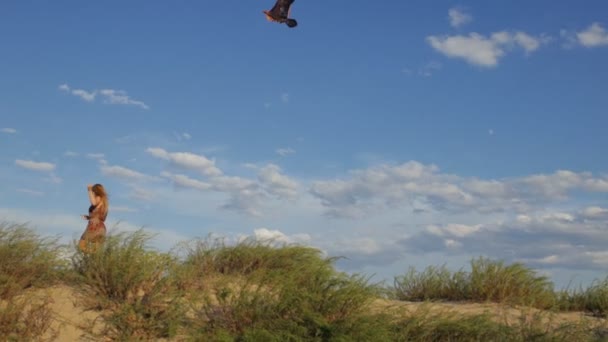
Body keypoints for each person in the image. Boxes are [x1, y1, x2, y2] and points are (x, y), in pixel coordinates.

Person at [79, 183, 108, 252]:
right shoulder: (104, 202)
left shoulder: (98, 198)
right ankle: (93, 256)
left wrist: (89, 190)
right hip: (101, 228)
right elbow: (100, 217)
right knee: (96, 251)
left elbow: (93, 203)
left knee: (81, 246)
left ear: (95, 191)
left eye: (93, 191)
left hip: (93, 228)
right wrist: (89, 217)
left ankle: (91, 254)